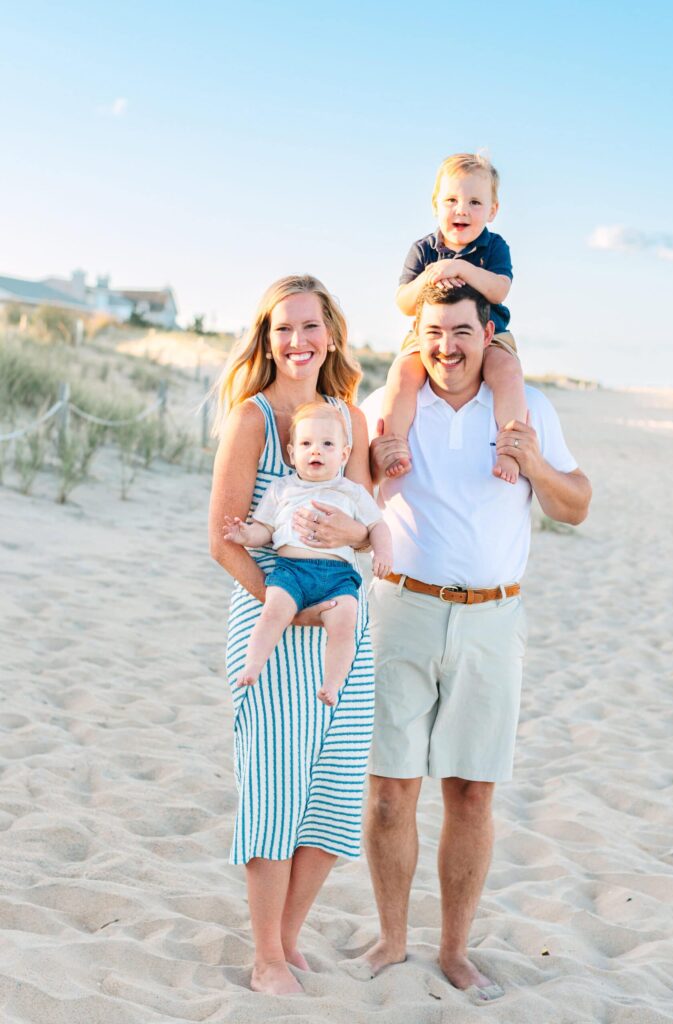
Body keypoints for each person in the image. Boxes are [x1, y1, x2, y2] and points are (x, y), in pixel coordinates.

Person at [355, 283, 591, 1002]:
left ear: (487, 333)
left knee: (470, 793)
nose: (446, 347)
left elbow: (574, 505)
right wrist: (371, 462)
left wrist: (535, 463)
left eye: (461, 331)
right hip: (401, 611)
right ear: (416, 334)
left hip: (491, 620)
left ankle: (454, 950)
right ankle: (392, 938)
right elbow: (344, 489)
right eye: (433, 331)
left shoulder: (526, 408)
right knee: (392, 792)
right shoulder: (388, 404)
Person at [208, 275, 376, 996]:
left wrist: (357, 533)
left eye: (309, 327)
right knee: (276, 792)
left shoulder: (350, 421)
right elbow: (222, 542)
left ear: (331, 334)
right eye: (283, 328)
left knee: (334, 795)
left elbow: (369, 529)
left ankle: (287, 938)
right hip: (271, 625)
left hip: (342, 624)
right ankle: (265, 957)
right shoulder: (250, 419)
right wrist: (284, 605)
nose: (297, 341)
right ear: (267, 338)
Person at [223, 401, 392, 705]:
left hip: (338, 576)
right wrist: (245, 534)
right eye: (306, 443)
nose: (316, 451)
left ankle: (333, 683)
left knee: (344, 623)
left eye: (327, 444)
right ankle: (254, 663)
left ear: (343, 454)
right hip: (291, 570)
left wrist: (383, 553)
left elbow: (377, 525)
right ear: (291, 453)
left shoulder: (350, 491)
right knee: (273, 612)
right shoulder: (282, 489)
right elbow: (264, 529)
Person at [381, 152, 525, 484]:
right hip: (428, 336)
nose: (461, 209)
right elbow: (403, 301)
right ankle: (394, 443)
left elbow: (499, 289)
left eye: (475, 202)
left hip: (490, 336)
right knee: (403, 373)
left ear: (492, 211)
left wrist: (461, 268)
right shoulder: (424, 249)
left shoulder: (494, 248)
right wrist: (430, 275)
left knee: (507, 371)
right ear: (435, 205)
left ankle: (510, 447)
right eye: (451, 200)